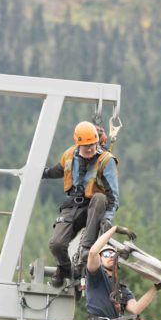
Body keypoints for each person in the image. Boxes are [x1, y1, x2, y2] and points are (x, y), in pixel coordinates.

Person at [42, 121, 120, 286]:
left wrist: (107, 219)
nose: (90, 149)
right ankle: (65, 269)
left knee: (100, 198)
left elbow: (113, 196)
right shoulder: (70, 154)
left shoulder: (106, 161)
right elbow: (58, 170)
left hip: (94, 207)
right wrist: (43, 173)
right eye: (86, 146)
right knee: (56, 244)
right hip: (73, 206)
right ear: (78, 144)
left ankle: (86, 249)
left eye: (93, 145)